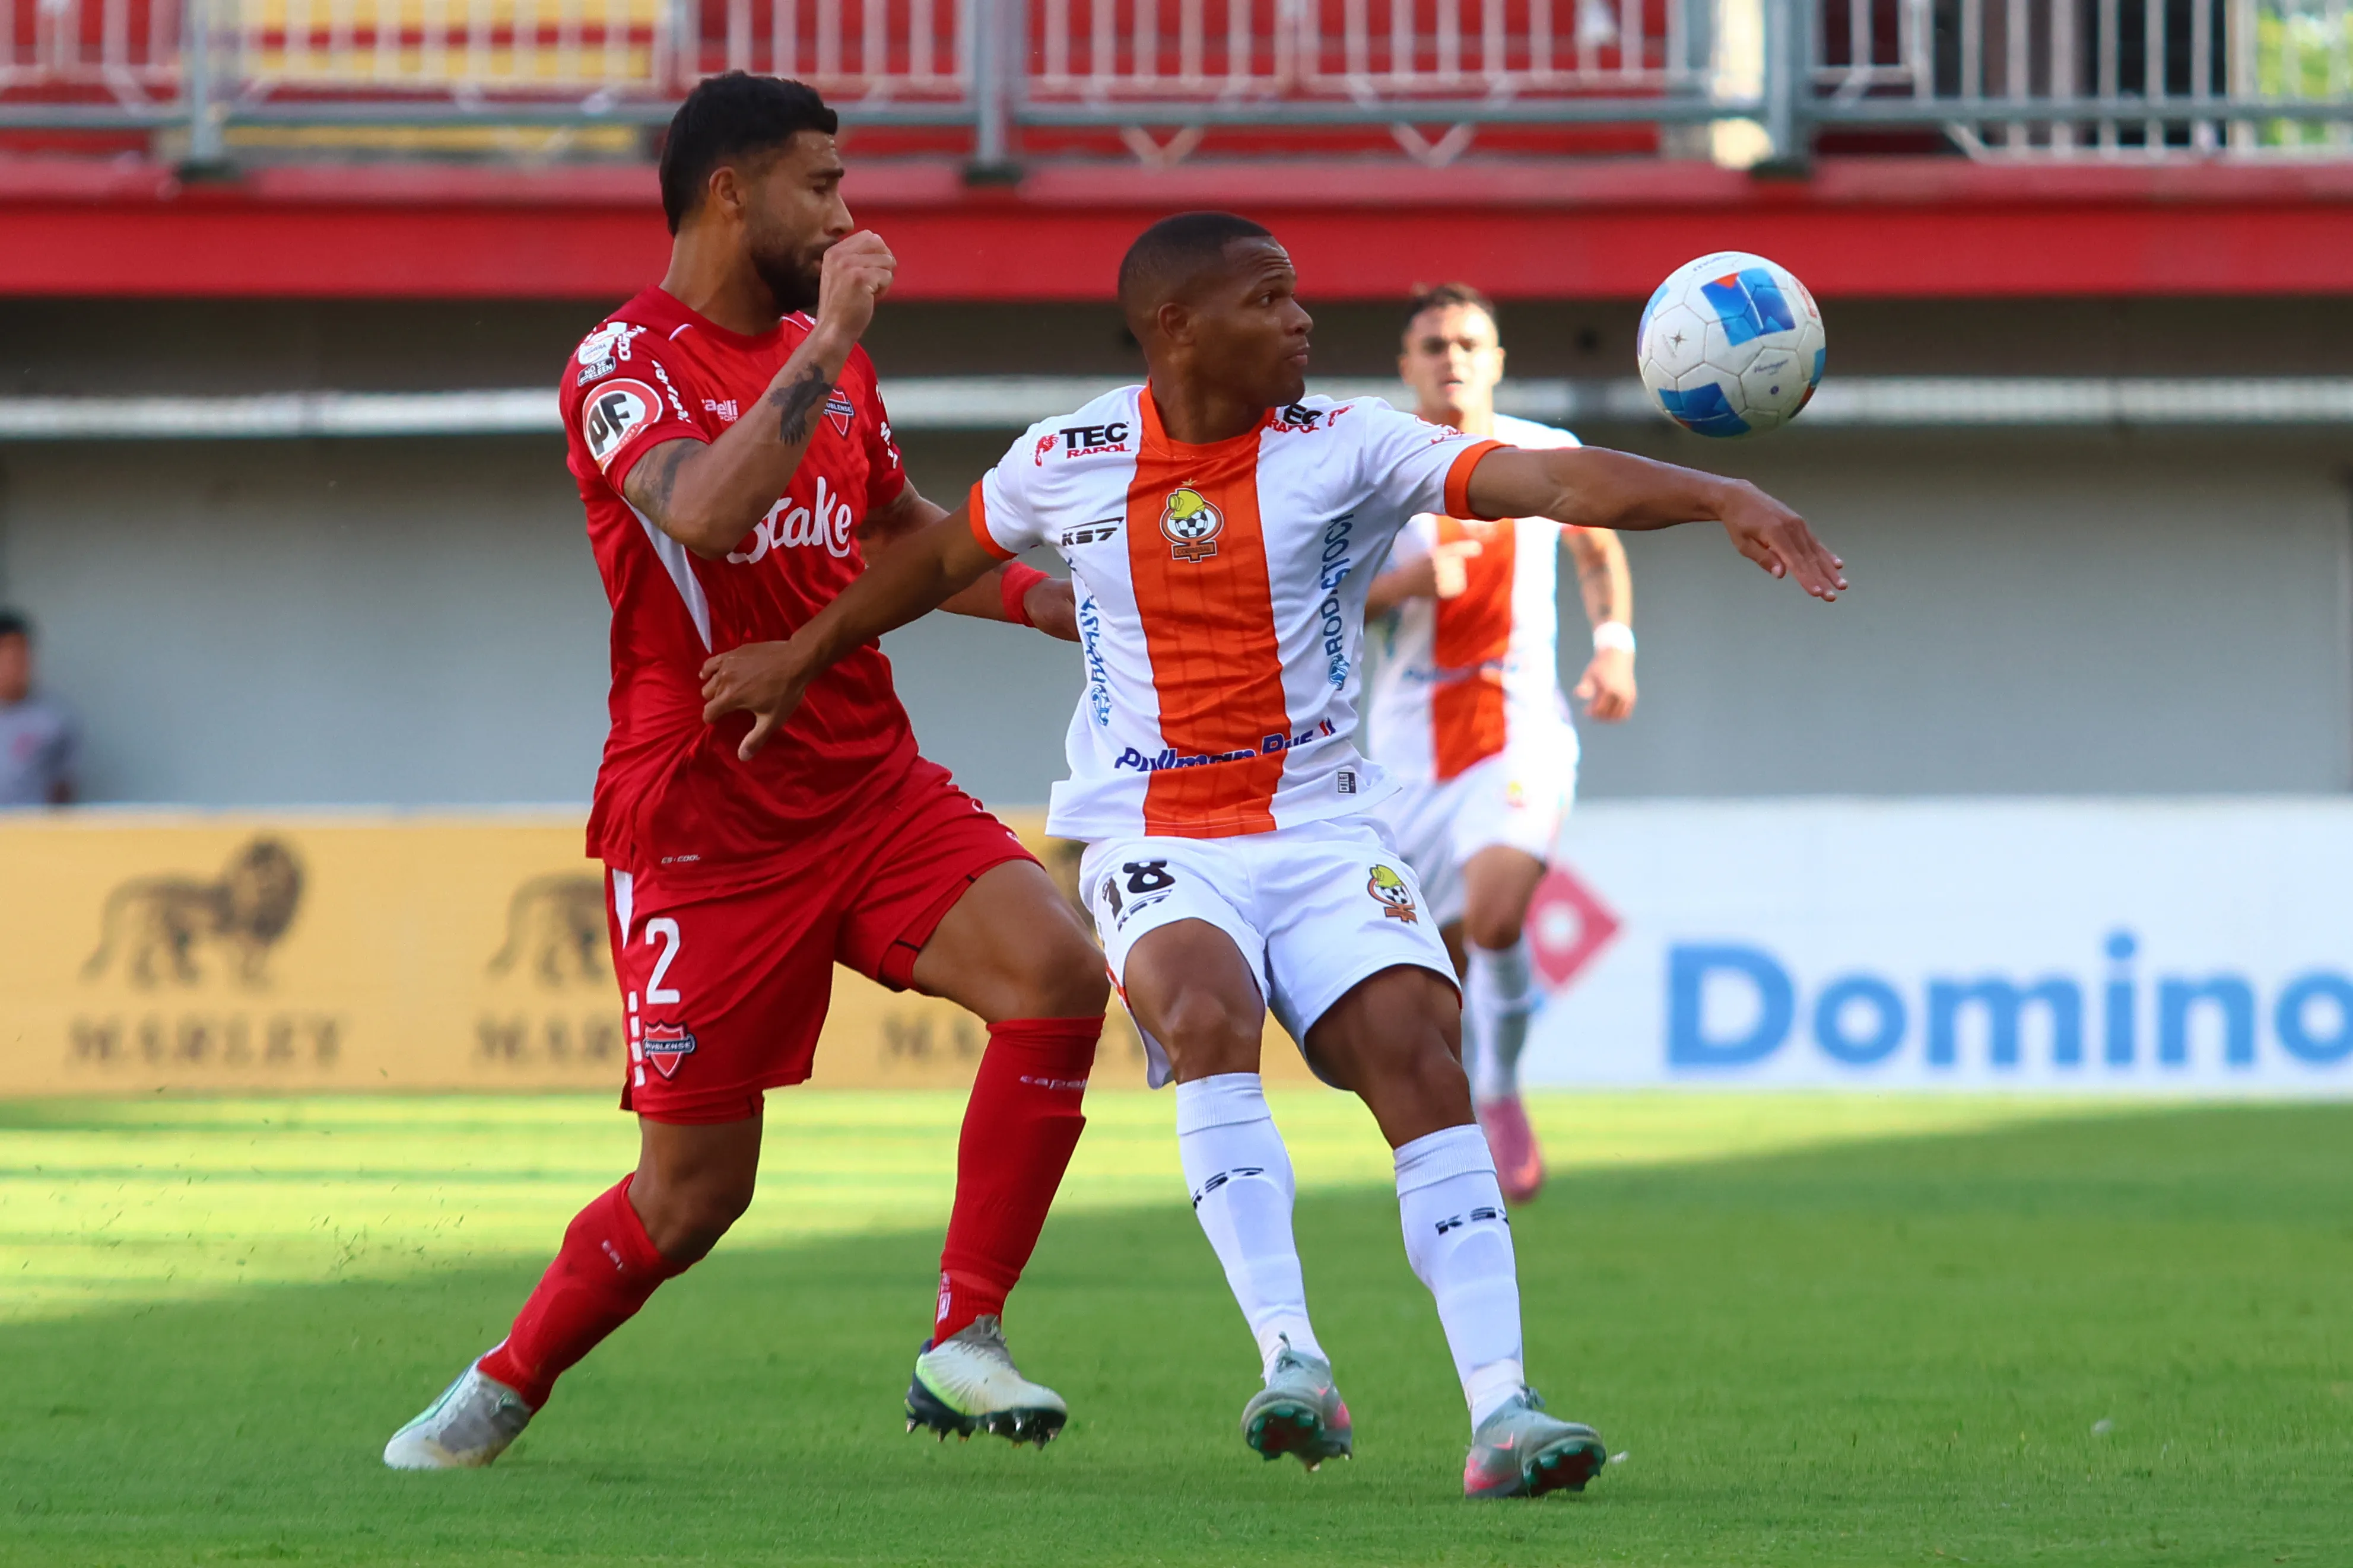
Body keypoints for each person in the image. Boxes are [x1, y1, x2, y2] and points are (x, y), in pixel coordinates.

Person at [695, 211, 1844, 1497]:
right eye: (1268, 300)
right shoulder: (1069, 455)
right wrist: (802, 656)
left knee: (1416, 1055)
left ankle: (1503, 1410)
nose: (1300, 321)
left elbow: (1555, 486)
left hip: (1321, 827)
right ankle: (1291, 1357)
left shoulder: (1350, 443)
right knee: (1203, 1011)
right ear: (1178, 328)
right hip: (1152, 830)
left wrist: (1719, 494)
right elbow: (932, 561)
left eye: (1295, 298)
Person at [383, 74, 1112, 1470]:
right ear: (732, 191)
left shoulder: (824, 363)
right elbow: (710, 516)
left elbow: (891, 526)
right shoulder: (622, 365)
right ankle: (504, 1381)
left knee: (1060, 973)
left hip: (867, 779)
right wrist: (829, 338)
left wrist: (1041, 599)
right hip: (705, 819)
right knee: (694, 1195)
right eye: (820, 185)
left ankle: (963, 1335)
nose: (847, 215)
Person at [1365, 283, 1634, 1204]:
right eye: (1434, 344)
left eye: (1469, 343)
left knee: (1498, 915)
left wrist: (1614, 644)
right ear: (1406, 365)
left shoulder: (1542, 452)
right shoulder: (1372, 470)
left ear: (1497, 361)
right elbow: (1310, 599)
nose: (1453, 358)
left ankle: (1502, 1090)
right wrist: (1401, 586)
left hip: (1519, 725)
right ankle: (1460, 1114)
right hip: (1407, 747)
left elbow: (1598, 548)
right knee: (1439, 967)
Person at [0, 609, 76, 807]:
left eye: (21, 657)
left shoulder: (53, 720)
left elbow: (63, 789)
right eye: (7, 657)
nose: (16, 667)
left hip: (30, 824)